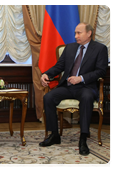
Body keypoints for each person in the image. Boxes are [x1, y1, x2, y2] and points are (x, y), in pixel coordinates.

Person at [39, 22, 108, 156]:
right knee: (48, 97)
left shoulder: (100, 49)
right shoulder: (70, 48)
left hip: (86, 86)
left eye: (79, 33)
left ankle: (83, 138)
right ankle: (54, 135)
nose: (76, 36)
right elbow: (59, 66)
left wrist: (81, 78)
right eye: (75, 33)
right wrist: (47, 73)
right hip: (68, 86)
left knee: (87, 98)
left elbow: (100, 71)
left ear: (89, 33)